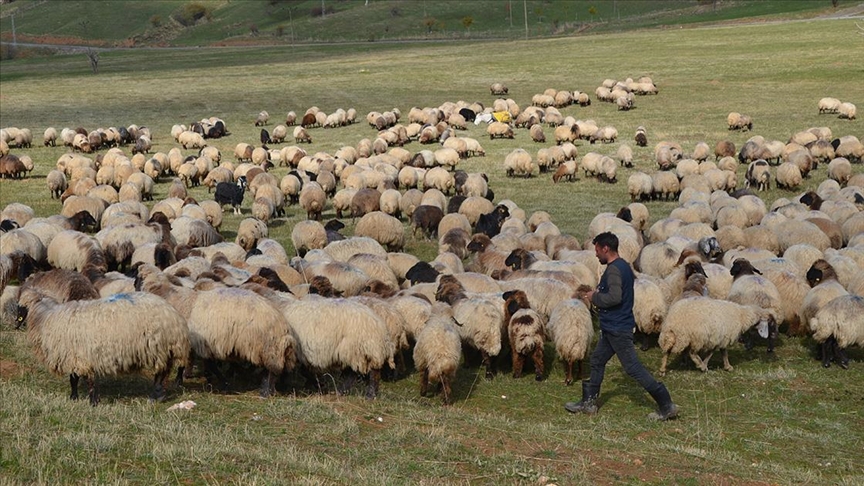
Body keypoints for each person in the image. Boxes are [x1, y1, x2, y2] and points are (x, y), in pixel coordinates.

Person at [564, 232, 678, 421]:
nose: (596, 254)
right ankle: (588, 402)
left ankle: (666, 404)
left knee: (633, 368)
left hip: (618, 328)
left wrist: (595, 297)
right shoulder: (623, 266)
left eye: (597, 250)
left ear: (606, 248)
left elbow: (615, 297)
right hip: (612, 327)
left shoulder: (615, 270)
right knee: (597, 360)